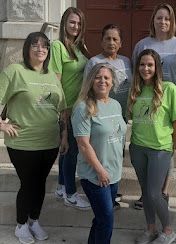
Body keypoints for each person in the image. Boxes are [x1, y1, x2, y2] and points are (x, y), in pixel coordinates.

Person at [0, 32, 67, 244]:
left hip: (49, 142)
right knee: (28, 184)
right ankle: (21, 224)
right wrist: (2, 124)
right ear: (27, 48)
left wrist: (64, 136)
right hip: (23, 142)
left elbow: (62, 110)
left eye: (45, 46)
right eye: (35, 45)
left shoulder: (51, 76)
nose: (40, 49)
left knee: (40, 184)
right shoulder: (15, 71)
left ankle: (34, 220)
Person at [132, 2, 176, 210]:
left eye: (167, 18)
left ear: (172, 21)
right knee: (146, 148)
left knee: (167, 147)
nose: (163, 22)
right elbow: (136, 73)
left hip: (170, 103)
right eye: (159, 18)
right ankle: (146, 193)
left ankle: (163, 192)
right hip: (148, 102)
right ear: (153, 20)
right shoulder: (142, 44)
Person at [128, 49, 176, 244]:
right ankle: (151, 229)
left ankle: (168, 230)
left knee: (154, 192)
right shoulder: (135, 90)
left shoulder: (169, 88)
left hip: (160, 149)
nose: (145, 68)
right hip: (137, 147)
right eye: (142, 64)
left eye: (150, 64)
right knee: (146, 192)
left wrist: (172, 145)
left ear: (157, 67)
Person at [71, 63, 127, 244]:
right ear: (90, 81)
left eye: (106, 78)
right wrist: (100, 170)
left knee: (101, 218)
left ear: (112, 83)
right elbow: (83, 144)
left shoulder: (116, 105)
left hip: (114, 173)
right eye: (98, 77)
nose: (102, 81)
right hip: (96, 175)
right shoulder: (83, 107)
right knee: (107, 220)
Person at [83, 23, 132, 208]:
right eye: (107, 38)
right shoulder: (94, 62)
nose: (111, 42)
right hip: (99, 116)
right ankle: (98, 189)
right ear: (101, 41)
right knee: (100, 152)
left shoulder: (126, 61)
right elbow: (87, 87)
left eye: (115, 39)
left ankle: (113, 189)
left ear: (120, 43)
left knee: (117, 153)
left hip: (120, 114)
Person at [49, 7, 90, 210]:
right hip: (66, 108)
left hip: (79, 107)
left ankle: (61, 186)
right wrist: (62, 110)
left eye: (79, 23)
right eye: (72, 22)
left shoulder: (80, 47)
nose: (75, 26)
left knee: (66, 151)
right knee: (70, 151)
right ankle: (71, 194)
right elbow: (56, 80)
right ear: (65, 23)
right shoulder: (58, 46)